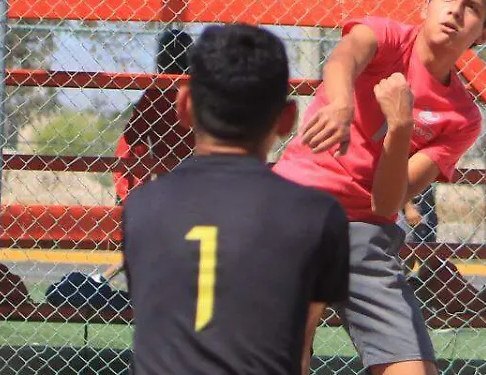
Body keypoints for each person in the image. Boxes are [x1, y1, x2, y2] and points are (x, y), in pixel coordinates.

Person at [273, 0, 486, 375]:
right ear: (426, 6)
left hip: (366, 232)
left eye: (472, 7)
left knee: (416, 371)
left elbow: (388, 204)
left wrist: (401, 127)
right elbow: (343, 58)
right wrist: (344, 105)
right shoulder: (387, 37)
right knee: (289, 346)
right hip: (297, 206)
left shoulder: (462, 117)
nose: (456, 11)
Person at [123, 24, 350, 375]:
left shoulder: (141, 208)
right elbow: (298, 345)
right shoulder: (317, 215)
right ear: (288, 119)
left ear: (183, 106)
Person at [113, 28, 194, 204]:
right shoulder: (204, 94)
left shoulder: (156, 95)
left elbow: (132, 140)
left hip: (171, 181)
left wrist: (132, 195)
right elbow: (133, 140)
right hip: (206, 180)